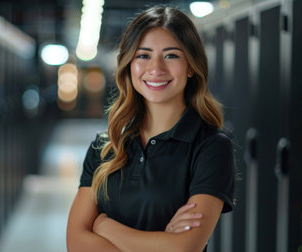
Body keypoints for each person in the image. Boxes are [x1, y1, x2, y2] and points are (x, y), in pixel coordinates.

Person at [66, 5, 235, 252]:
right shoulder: (105, 147)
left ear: (191, 66)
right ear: (129, 65)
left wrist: (104, 227)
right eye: (143, 55)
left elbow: (184, 248)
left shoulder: (211, 147)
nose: (156, 68)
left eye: (171, 55)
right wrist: (161, 242)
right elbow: (76, 243)